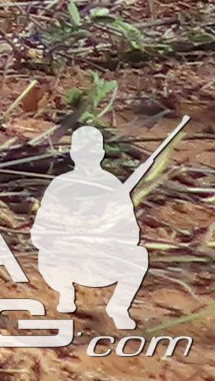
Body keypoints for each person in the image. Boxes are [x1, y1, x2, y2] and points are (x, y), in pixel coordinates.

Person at [30, 125, 149, 329]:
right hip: (65, 259)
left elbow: (130, 234)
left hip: (100, 259)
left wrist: (103, 232)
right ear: (74, 153)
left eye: (92, 153)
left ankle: (118, 308)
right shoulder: (61, 185)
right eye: (84, 153)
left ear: (101, 153)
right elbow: (40, 233)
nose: (88, 159)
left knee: (139, 255)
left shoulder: (112, 185)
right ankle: (66, 296)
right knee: (48, 255)